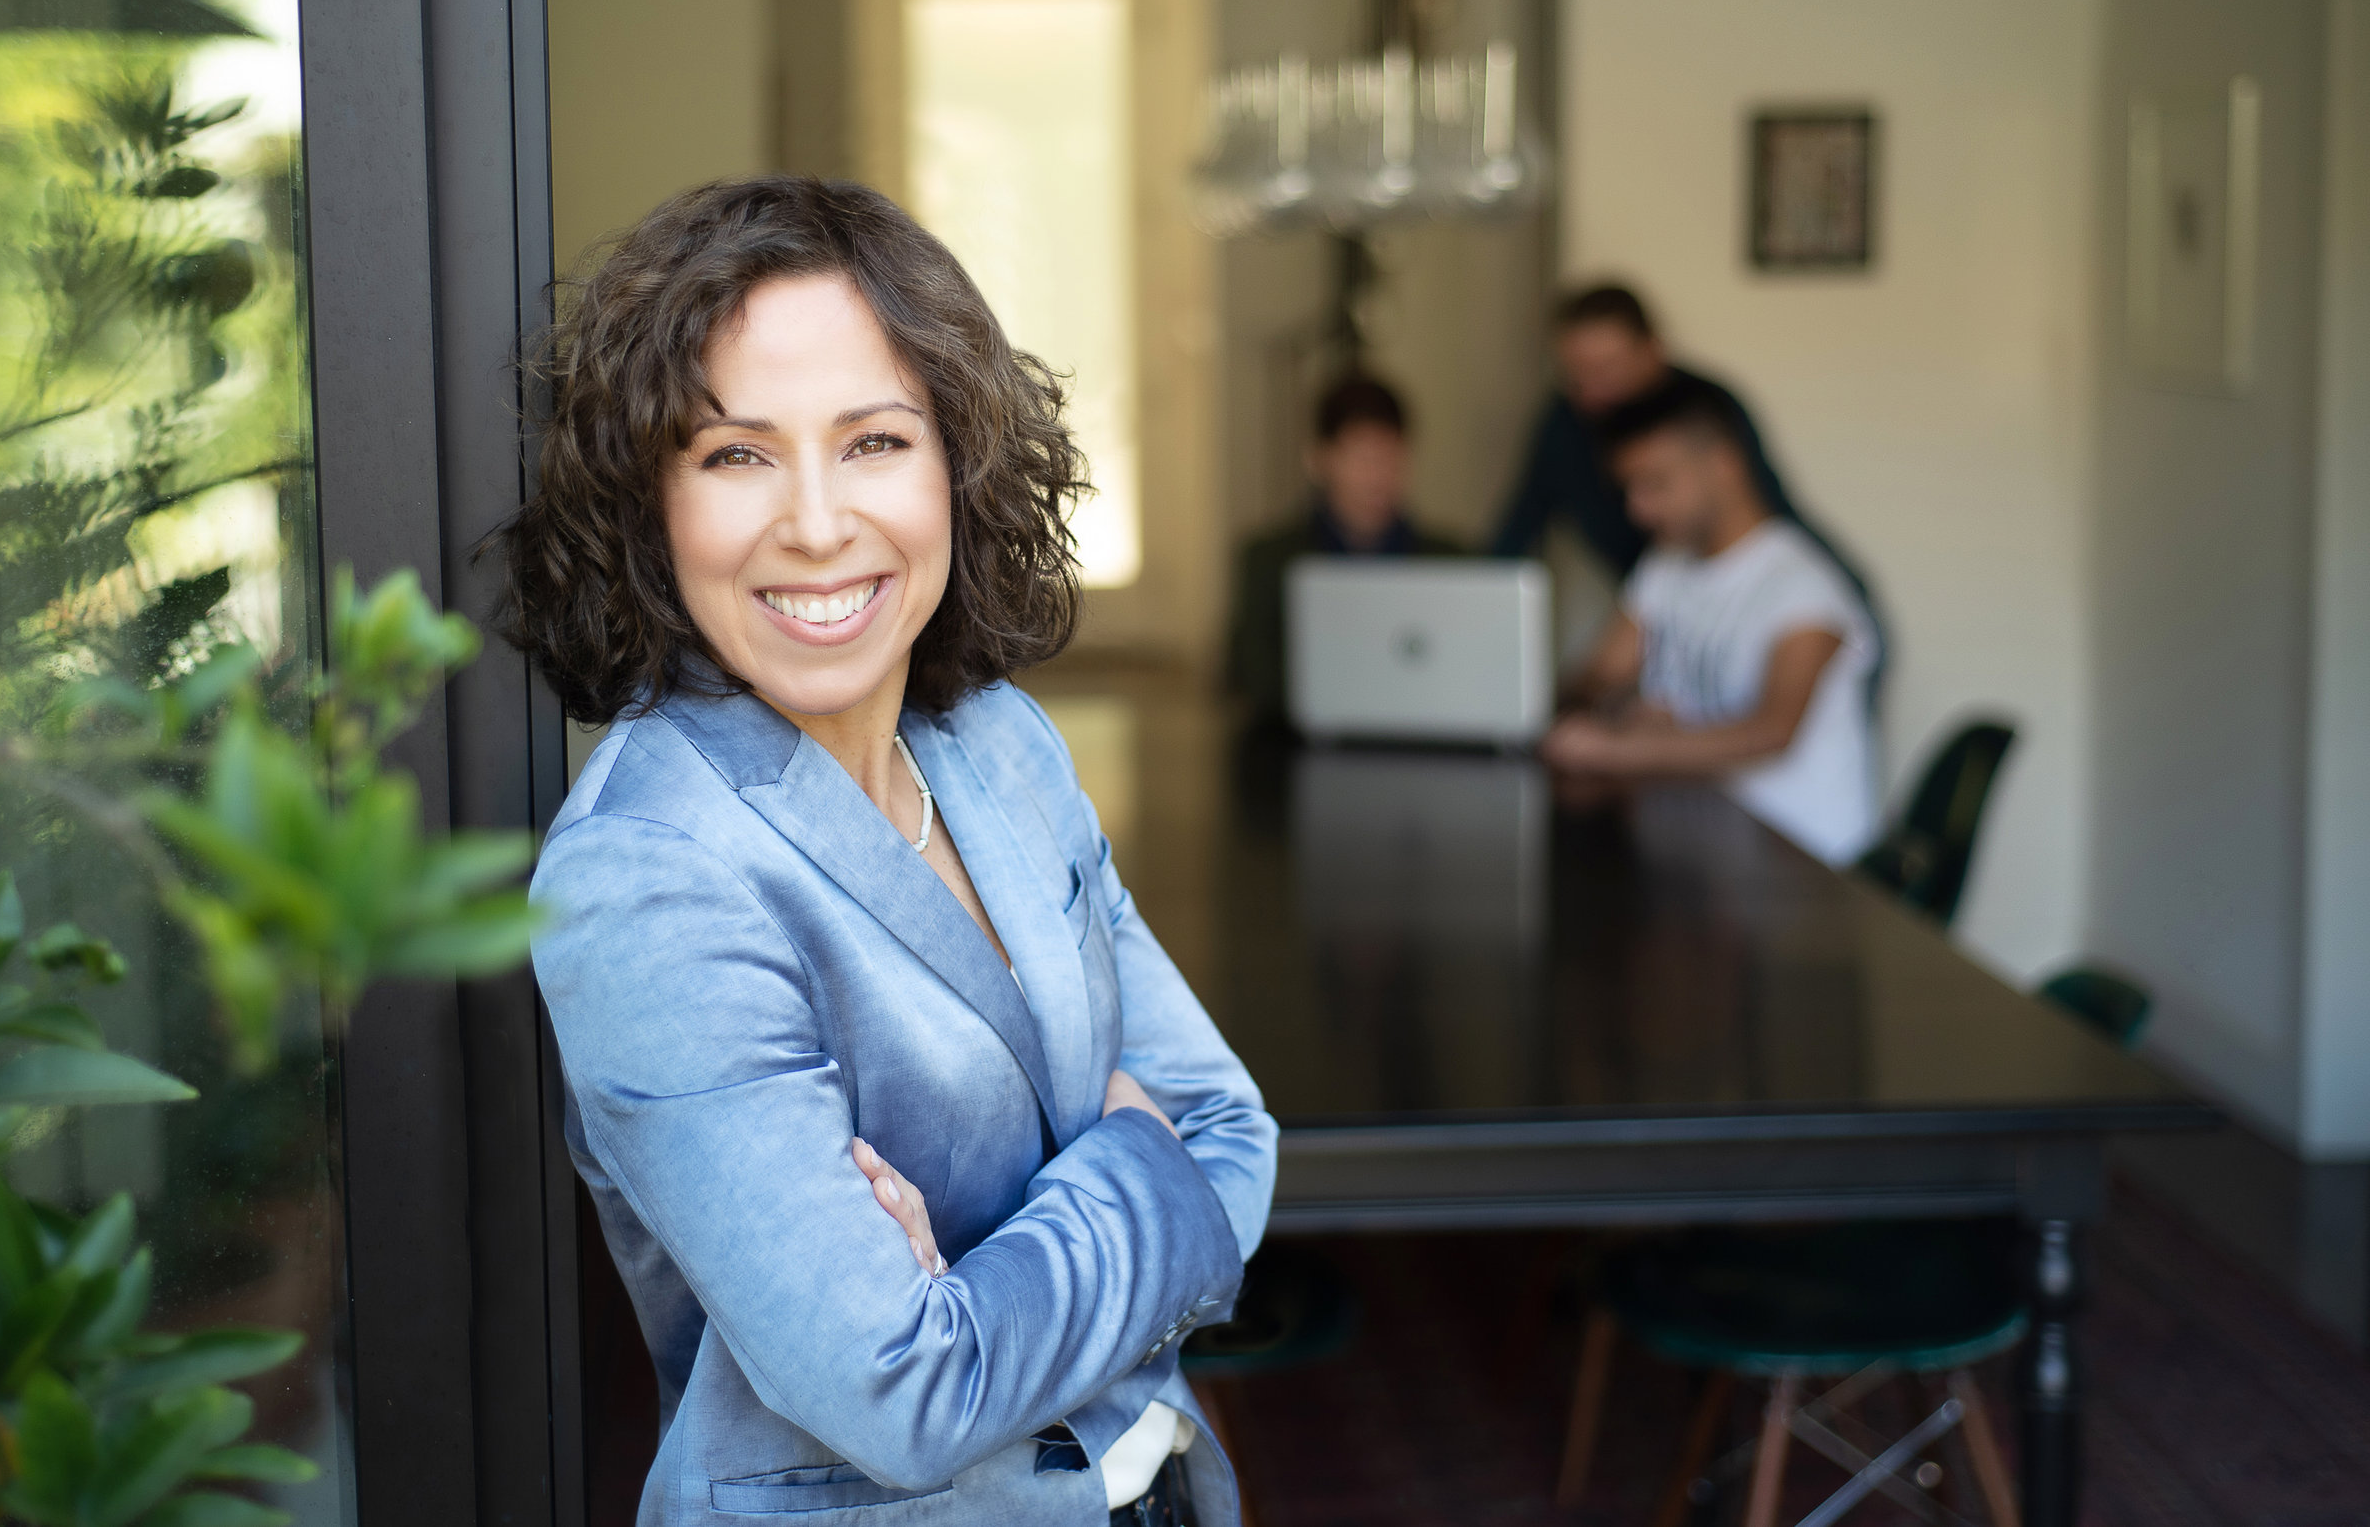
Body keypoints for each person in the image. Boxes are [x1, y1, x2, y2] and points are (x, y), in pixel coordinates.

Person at [497, 178, 1276, 1527]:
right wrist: (1129, 1159)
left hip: (1151, 1488)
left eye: (872, 441)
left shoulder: (998, 744)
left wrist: (979, 1277)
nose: (813, 520)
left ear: (956, 464)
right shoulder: (647, 873)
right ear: (649, 501)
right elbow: (901, 1391)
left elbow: (1229, 1130)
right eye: (733, 453)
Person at [1541, 379, 1882, 864]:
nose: (1638, 509)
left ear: (1723, 465)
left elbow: (1772, 731)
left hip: (1800, 869)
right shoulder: (1666, 567)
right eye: (1629, 489)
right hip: (1704, 853)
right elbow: (1599, 674)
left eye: (1656, 484)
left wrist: (1621, 747)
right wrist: (1615, 710)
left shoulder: (1804, 586)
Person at [1490, 284, 1884, 692]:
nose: (1592, 390)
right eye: (1576, 376)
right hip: (1666, 610)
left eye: (1607, 369)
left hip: (1777, 625)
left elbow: (1759, 520)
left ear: (1653, 352)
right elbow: (1516, 531)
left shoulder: (1705, 413)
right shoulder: (1564, 429)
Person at [1225, 373, 1464, 724]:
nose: (1378, 477)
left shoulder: (1451, 562)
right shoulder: (1269, 560)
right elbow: (1253, 677)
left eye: (1391, 457)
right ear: (1319, 460)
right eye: (1362, 458)